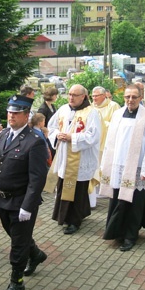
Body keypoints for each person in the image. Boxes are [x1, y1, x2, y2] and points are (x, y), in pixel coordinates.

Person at [0, 95, 49, 290]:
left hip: (21, 201)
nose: (11, 116)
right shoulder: (3, 135)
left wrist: (28, 206)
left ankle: (16, 281)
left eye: (16, 112)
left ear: (26, 115)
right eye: (9, 112)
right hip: (4, 199)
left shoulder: (35, 141)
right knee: (14, 234)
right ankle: (36, 254)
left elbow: (37, 178)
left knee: (18, 244)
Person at [100, 84, 145, 251]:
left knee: (134, 204)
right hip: (118, 166)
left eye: (134, 97)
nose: (130, 100)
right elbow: (110, 142)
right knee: (118, 200)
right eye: (127, 97)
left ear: (141, 98)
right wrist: (106, 163)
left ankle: (130, 235)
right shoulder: (117, 114)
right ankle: (117, 232)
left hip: (136, 167)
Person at [48, 84, 101, 235]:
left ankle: (74, 221)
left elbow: (94, 136)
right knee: (63, 185)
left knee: (78, 191)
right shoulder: (63, 109)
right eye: (69, 94)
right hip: (65, 157)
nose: (71, 97)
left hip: (81, 159)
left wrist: (72, 137)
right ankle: (63, 216)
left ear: (83, 96)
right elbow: (51, 127)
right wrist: (57, 134)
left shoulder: (91, 113)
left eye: (75, 95)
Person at [89, 86, 120, 207]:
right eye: (93, 96)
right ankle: (94, 189)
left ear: (103, 96)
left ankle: (105, 189)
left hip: (107, 142)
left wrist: (102, 123)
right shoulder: (91, 107)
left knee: (106, 165)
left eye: (96, 96)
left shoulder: (113, 106)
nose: (94, 98)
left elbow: (116, 124)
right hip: (95, 143)